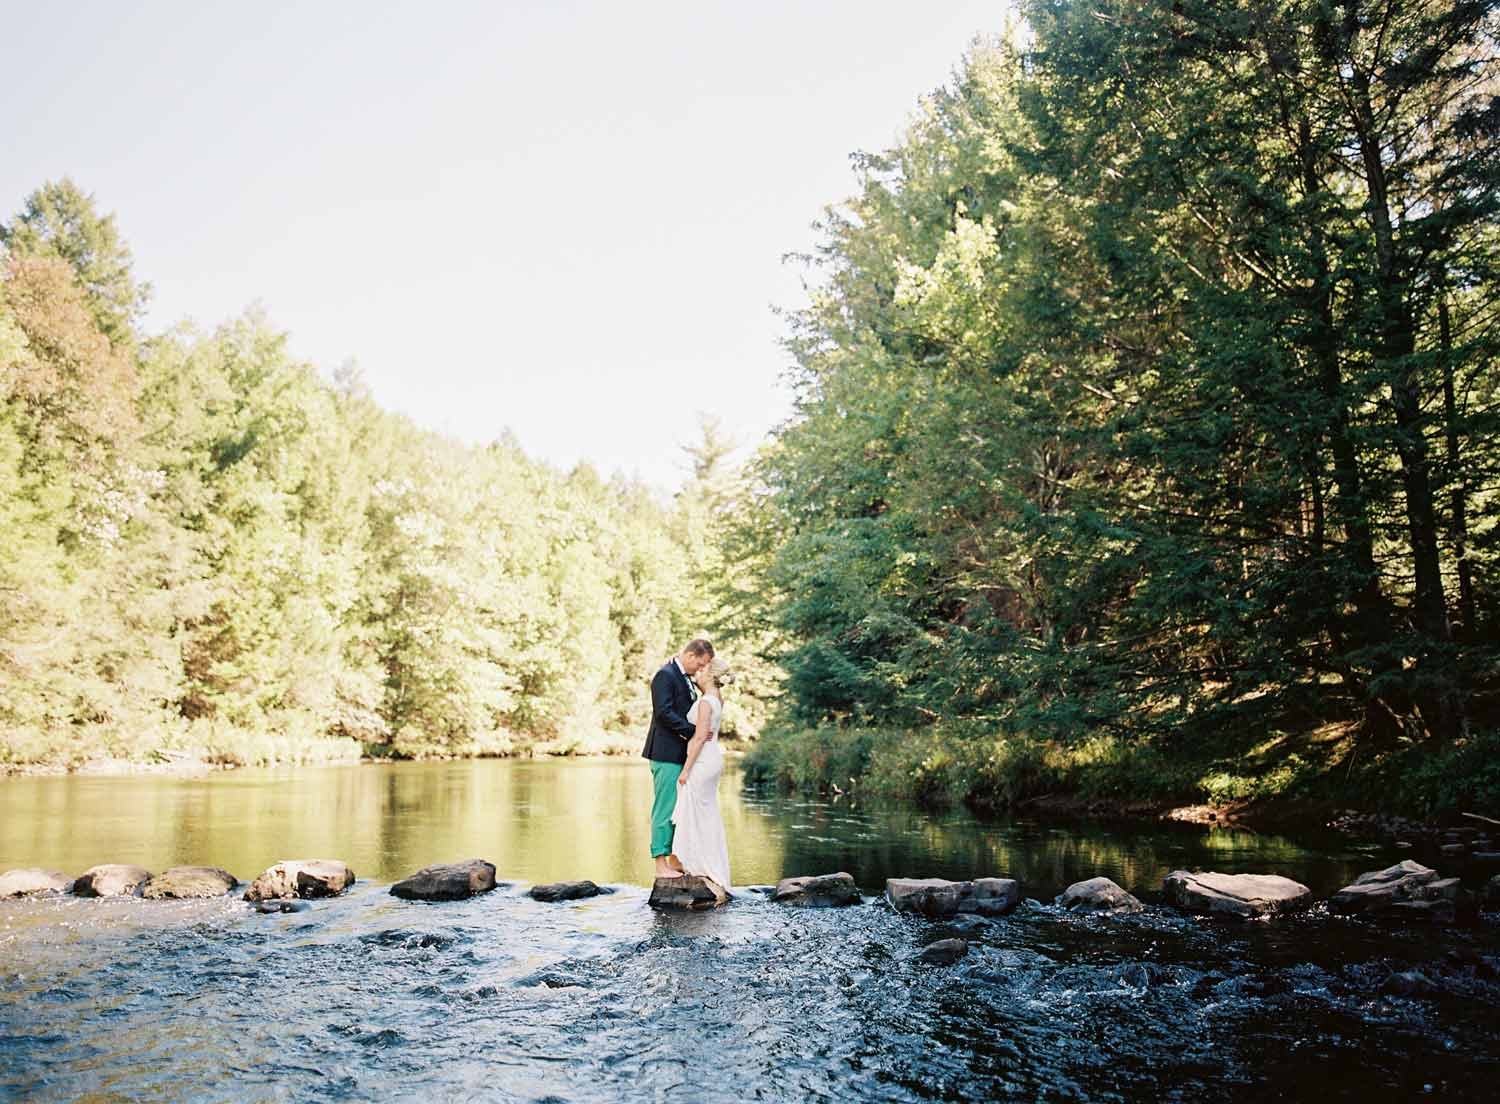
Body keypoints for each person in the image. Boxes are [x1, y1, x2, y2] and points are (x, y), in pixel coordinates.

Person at [641, 638, 714, 880]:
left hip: (679, 754)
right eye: (700, 664)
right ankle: (660, 865)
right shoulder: (665, 675)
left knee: (678, 809)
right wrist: (693, 731)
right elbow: (663, 713)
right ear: (691, 656)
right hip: (664, 753)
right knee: (665, 808)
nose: (700, 669)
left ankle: (673, 859)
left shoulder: (684, 677)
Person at [671, 658, 733, 889]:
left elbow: (699, 737)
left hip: (702, 761)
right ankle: (704, 862)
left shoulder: (706, 702)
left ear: (710, 675)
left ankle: (699, 864)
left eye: (703, 670)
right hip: (712, 758)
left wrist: (686, 769)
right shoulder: (717, 699)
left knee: (696, 811)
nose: (698, 672)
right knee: (706, 812)